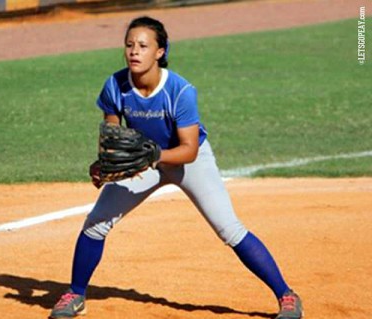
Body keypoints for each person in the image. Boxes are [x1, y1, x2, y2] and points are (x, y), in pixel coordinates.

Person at [49, 16, 303, 319]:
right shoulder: (115, 86)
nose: (134, 51)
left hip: (186, 161)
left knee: (229, 229)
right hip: (145, 161)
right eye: (129, 45)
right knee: (97, 221)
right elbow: (113, 138)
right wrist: (104, 165)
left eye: (143, 46)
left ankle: (286, 295)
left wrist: (154, 156)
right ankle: (76, 294)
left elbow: (190, 150)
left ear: (159, 52)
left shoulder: (180, 91)